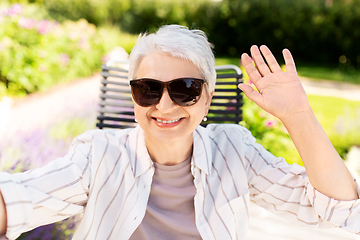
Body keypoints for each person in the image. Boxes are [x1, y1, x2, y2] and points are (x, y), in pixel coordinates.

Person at [0, 24, 359, 240]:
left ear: (207, 99)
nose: (165, 106)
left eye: (185, 88)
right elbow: (24, 199)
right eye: (148, 89)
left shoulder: (234, 150)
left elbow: (337, 208)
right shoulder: (100, 153)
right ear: (133, 97)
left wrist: (298, 116)